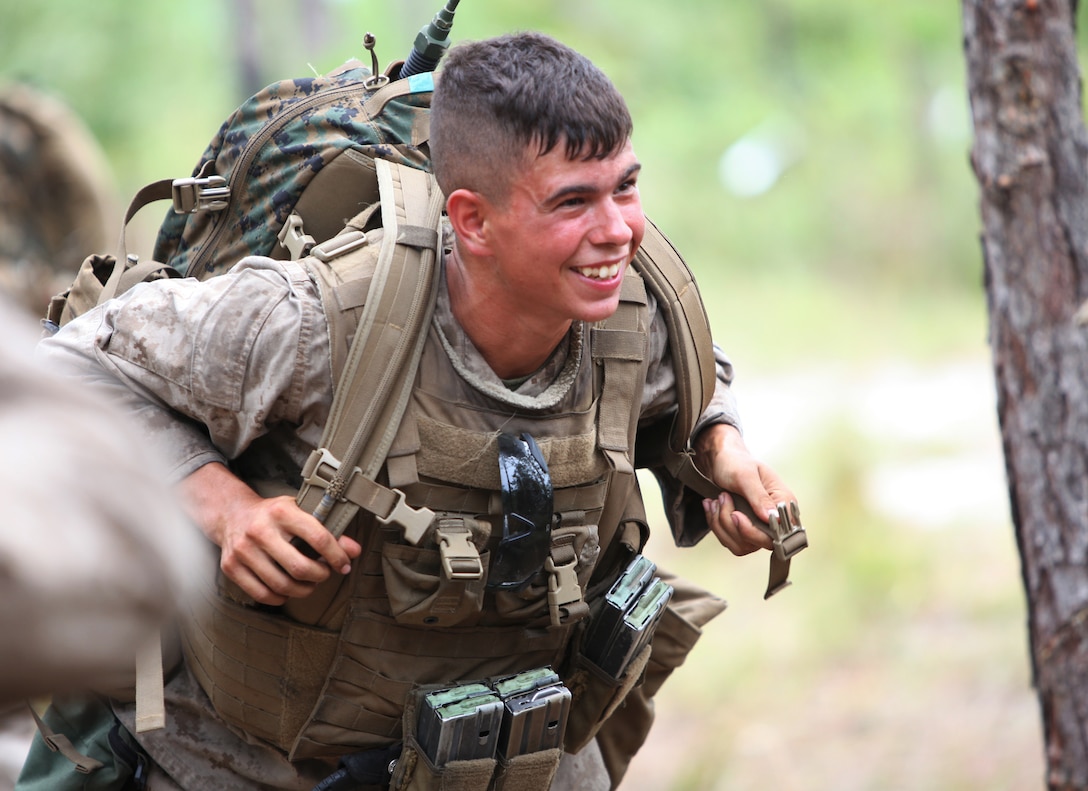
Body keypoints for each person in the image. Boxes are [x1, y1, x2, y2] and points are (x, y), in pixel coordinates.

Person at [22, 31, 795, 791]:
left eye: (625, 187)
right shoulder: (313, 325)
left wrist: (719, 451)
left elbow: (686, 386)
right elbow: (69, 367)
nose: (619, 232)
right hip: (257, 766)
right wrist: (221, 504)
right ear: (473, 220)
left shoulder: (632, 316)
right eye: (573, 202)